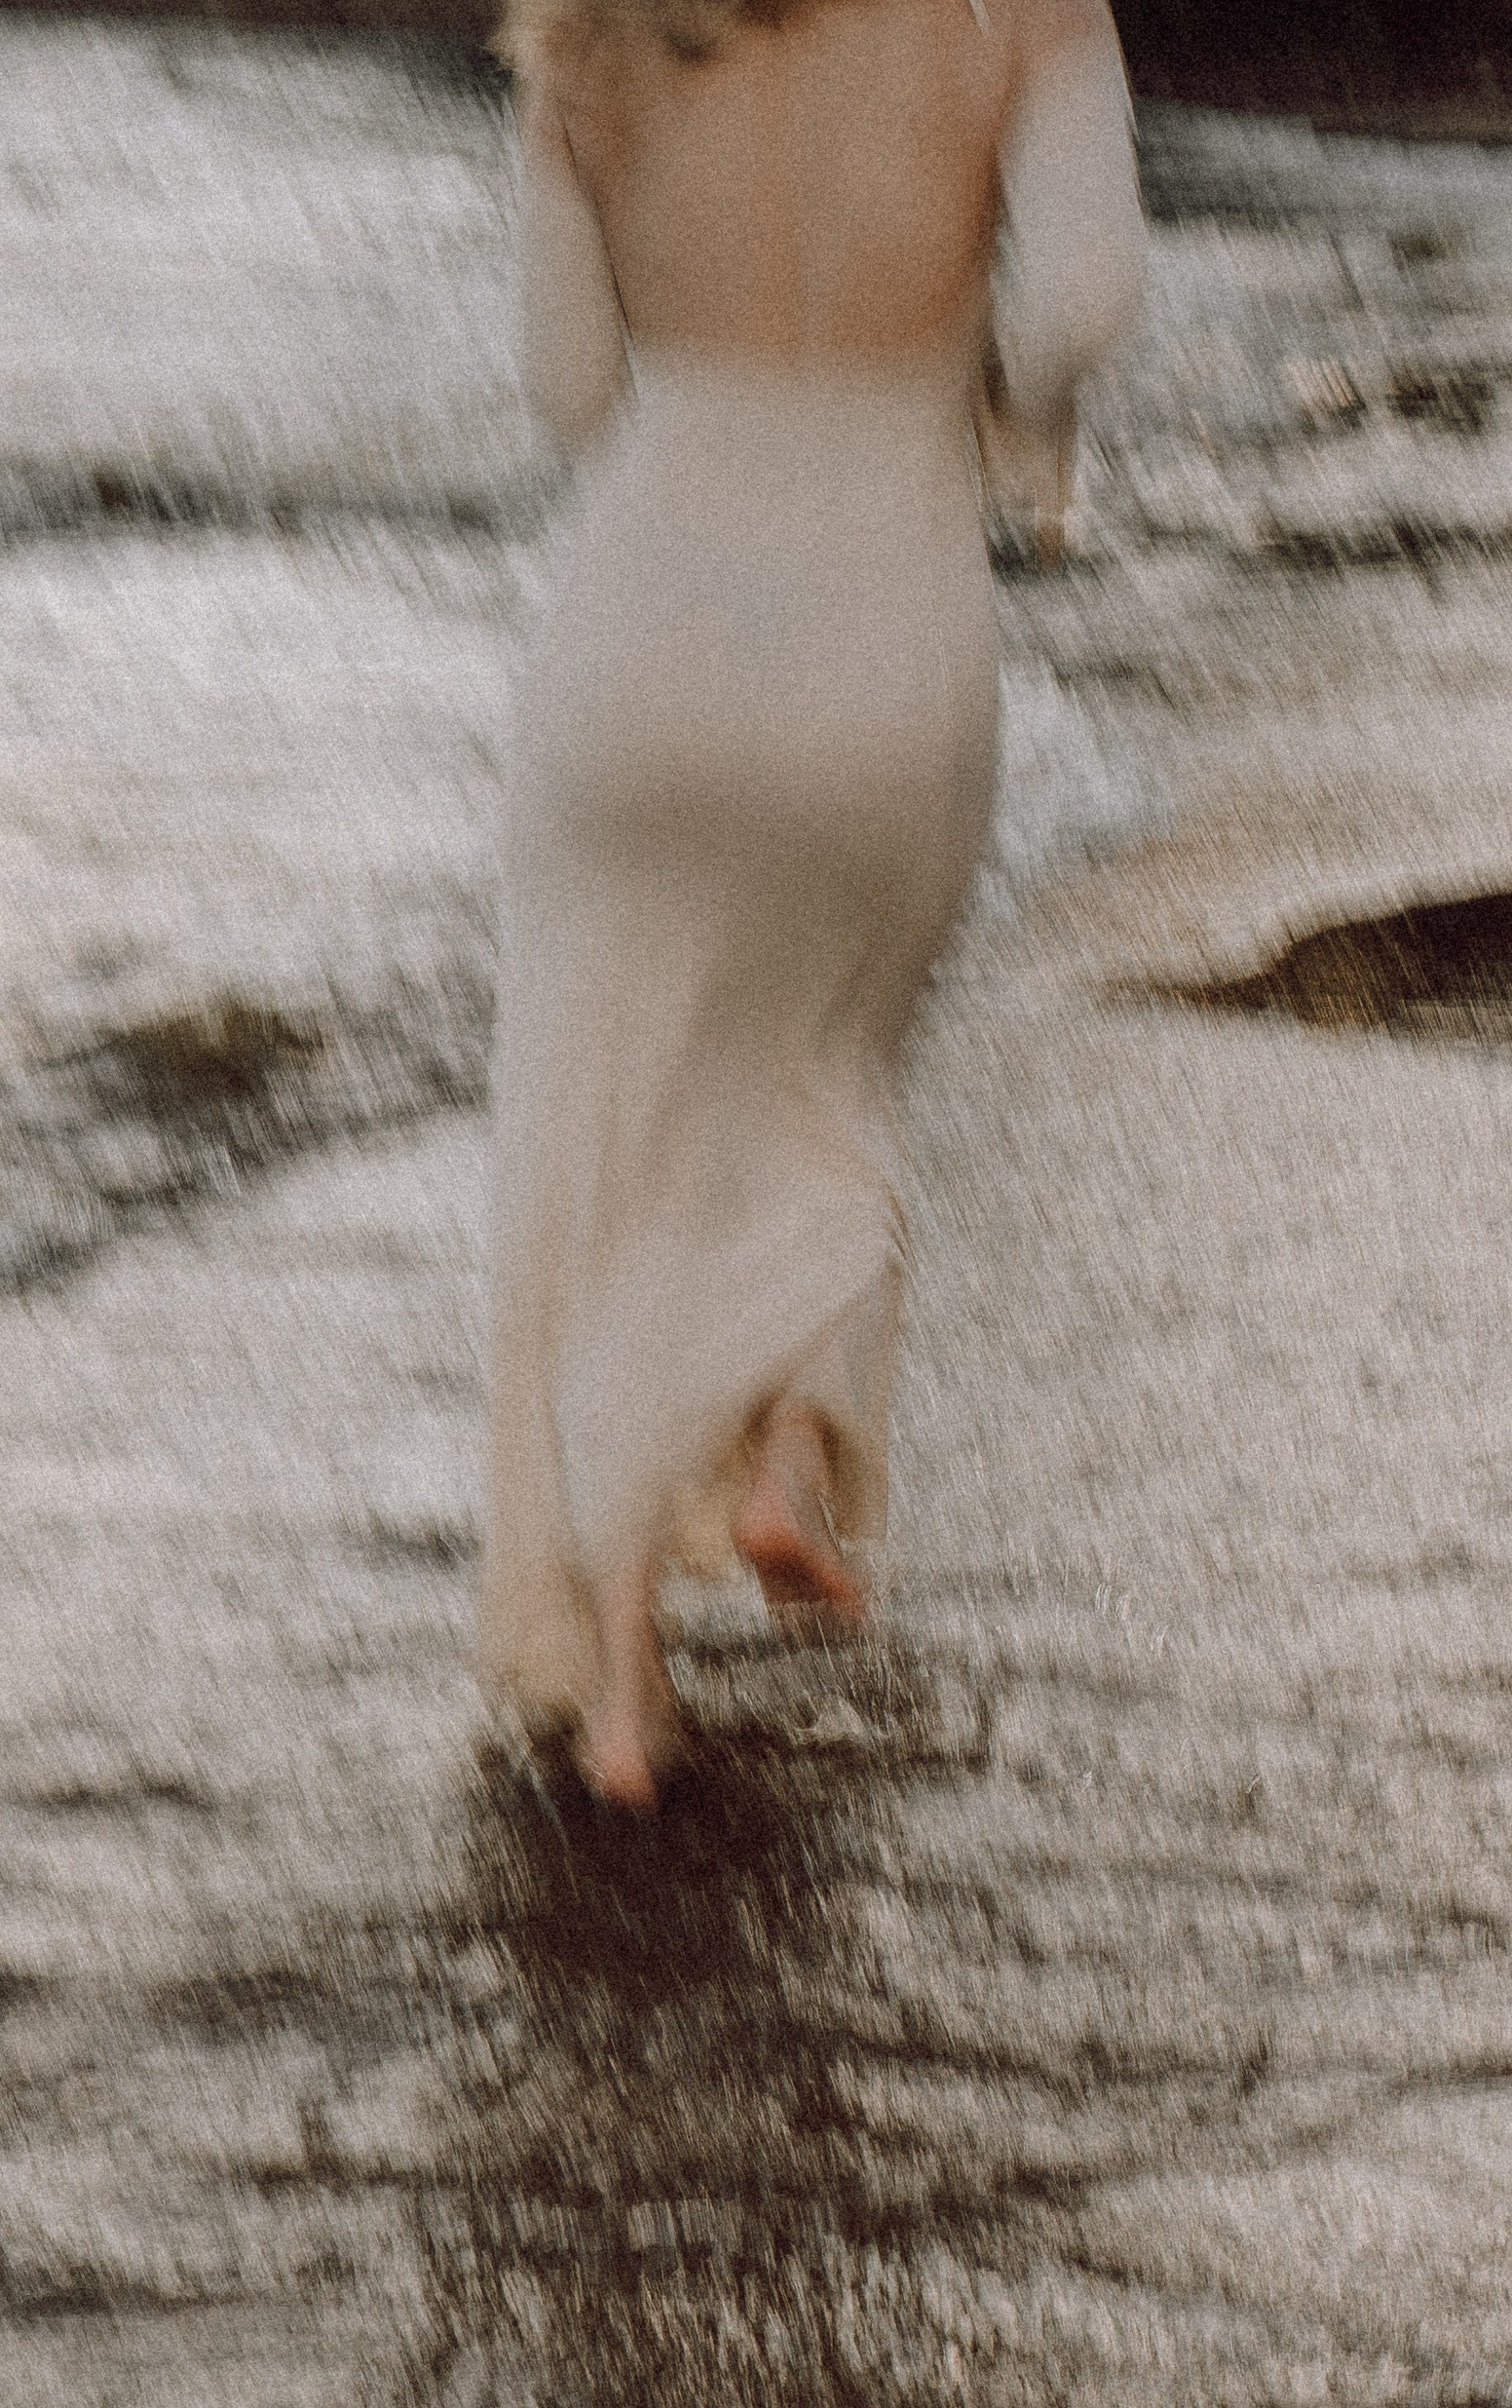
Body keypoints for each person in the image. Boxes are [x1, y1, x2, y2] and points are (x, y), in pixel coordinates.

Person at [479, 0, 1147, 1805]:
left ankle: (621, 1680)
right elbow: (1084, 295)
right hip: (886, 640)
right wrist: (989, 399)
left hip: (641, 653)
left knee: (598, 1121)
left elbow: (562, 389)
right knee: (823, 1065)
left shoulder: (586, 31)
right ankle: (783, 1447)